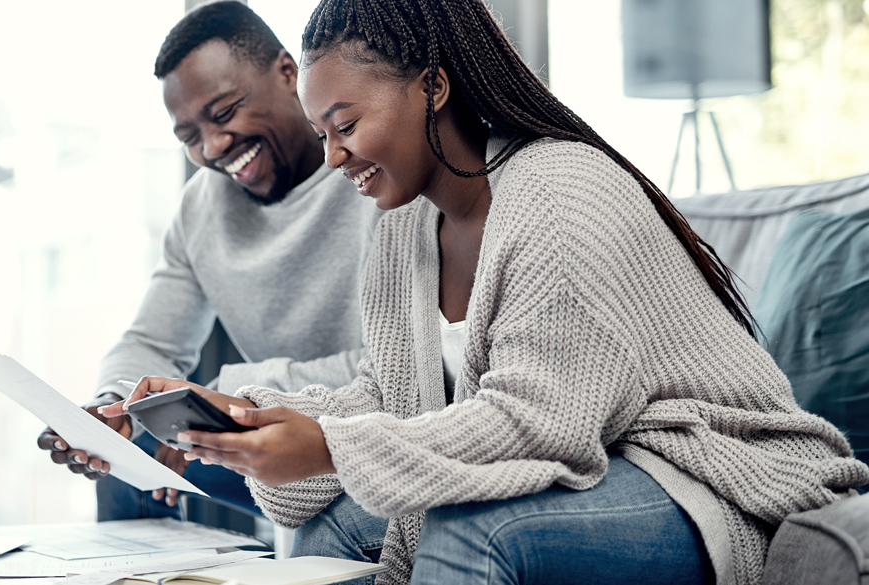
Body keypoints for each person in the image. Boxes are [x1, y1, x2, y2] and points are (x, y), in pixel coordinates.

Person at [109, 0, 869, 583]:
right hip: (595, 459)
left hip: (697, 467)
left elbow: (540, 422)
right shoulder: (405, 227)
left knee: (471, 530)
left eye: (345, 124)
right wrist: (265, 418)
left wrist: (330, 445)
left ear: (433, 86)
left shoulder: (560, 190)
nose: (334, 155)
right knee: (332, 521)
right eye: (322, 130)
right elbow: (392, 393)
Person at [36, 1, 383, 522]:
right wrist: (112, 410)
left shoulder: (375, 172)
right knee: (127, 464)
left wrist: (225, 398)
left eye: (223, 113)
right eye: (189, 137)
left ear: (288, 73)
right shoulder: (201, 206)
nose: (214, 146)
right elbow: (151, 342)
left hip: (360, 434)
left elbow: (393, 371)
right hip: (255, 427)